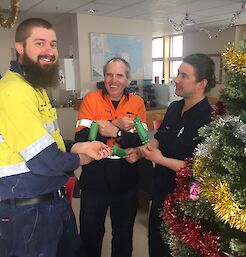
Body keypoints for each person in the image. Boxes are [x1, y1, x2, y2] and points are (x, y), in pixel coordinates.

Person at [0, 18, 112, 257]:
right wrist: (82, 158)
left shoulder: (35, 87)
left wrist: (79, 145)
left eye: (53, 44)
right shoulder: (14, 92)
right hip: (27, 212)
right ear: (19, 47)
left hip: (52, 202)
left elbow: (52, 141)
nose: (49, 51)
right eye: (39, 43)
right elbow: (44, 159)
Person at [126, 53, 216, 257]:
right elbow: (159, 138)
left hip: (184, 201)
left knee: (175, 250)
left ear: (201, 83)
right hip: (160, 193)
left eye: (184, 75)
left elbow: (198, 168)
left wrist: (160, 160)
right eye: (178, 73)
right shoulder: (175, 107)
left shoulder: (209, 119)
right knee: (156, 245)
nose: (176, 79)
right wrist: (140, 152)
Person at [75, 57, 147, 257]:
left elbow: (140, 141)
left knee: (123, 233)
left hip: (126, 173)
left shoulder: (137, 103)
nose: (113, 80)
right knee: (91, 231)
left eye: (119, 75)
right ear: (104, 77)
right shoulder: (91, 99)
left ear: (127, 79)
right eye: (109, 74)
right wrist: (116, 123)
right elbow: (81, 137)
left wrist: (112, 131)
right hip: (95, 172)